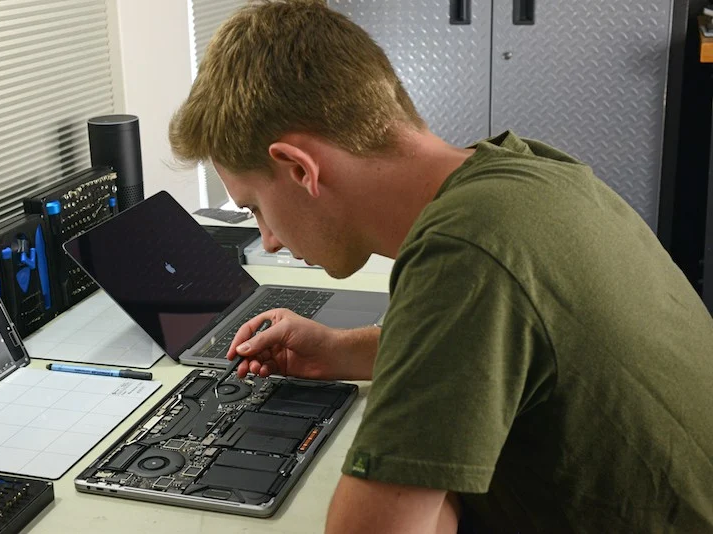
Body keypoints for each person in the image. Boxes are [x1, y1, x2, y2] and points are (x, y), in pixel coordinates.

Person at [168, 1, 713, 532]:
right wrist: (338, 351)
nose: (268, 242)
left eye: (255, 208)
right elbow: (501, 349)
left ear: (298, 169)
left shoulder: (466, 251)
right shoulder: (524, 170)